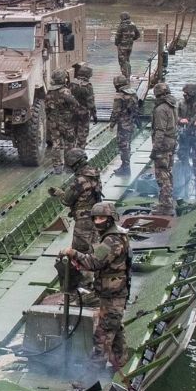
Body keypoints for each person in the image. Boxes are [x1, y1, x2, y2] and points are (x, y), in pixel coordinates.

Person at [70, 201, 131, 371]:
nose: (98, 221)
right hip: (112, 293)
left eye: (102, 217)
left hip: (113, 295)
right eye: (95, 218)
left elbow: (94, 262)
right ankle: (121, 359)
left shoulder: (112, 240)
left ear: (111, 218)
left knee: (102, 336)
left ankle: (91, 377)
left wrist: (73, 253)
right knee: (114, 326)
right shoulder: (114, 235)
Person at [50, 147, 103, 240]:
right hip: (96, 214)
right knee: (93, 243)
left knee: (81, 247)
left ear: (75, 164)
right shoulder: (95, 174)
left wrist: (59, 193)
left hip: (84, 220)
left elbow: (67, 201)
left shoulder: (80, 181)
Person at [46, 67, 92, 167]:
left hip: (53, 123)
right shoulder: (65, 91)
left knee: (56, 144)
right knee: (69, 143)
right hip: (66, 123)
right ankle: (69, 164)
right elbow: (75, 104)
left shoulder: (49, 92)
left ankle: (57, 166)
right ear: (63, 79)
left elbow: (46, 109)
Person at [150, 81, 177, 217]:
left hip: (163, 143)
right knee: (168, 171)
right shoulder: (172, 105)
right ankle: (168, 201)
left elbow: (160, 130)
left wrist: (155, 149)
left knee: (162, 174)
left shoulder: (161, 109)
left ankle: (166, 206)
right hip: (171, 141)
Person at [110, 73, 137, 172]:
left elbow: (115, 112)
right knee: (127, 145)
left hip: (122, 125)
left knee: (123, 146)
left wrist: (112, 125)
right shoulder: (133, 93)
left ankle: (125, 167)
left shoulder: (119, 96)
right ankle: (126, 165)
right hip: (131, 123)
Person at [113, 13, 141, 78]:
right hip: (130, 46)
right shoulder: (133, 25)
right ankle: (128, 73)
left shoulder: (122, 26)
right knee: (127, 59)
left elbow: (117, 36)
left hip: (122, 46)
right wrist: (132, 39)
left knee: (122, 60)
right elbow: (138, 35)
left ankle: (125, 75)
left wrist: (117, 44)